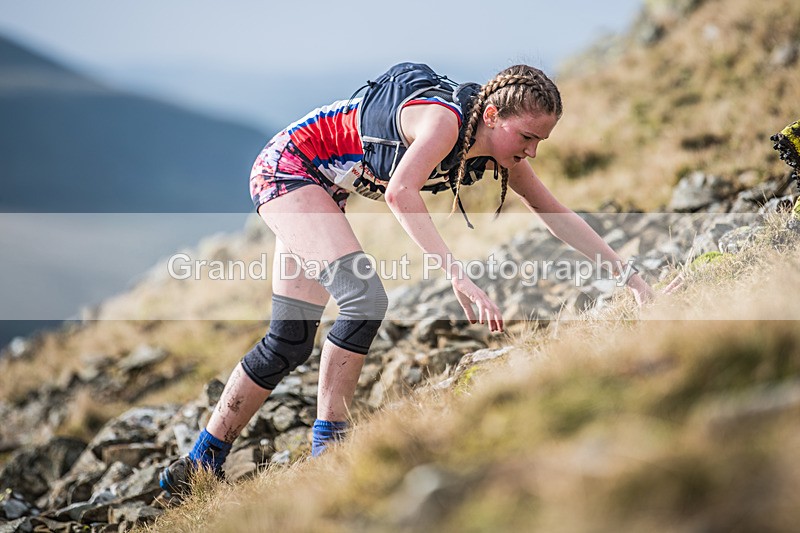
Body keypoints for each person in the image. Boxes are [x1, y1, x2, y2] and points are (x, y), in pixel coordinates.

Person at [159, 62, 656, 495]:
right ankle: (329, 452)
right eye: (527, 137)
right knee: (363, 300)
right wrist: (457, 275)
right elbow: (401, 192)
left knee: (288, 340)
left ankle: (199, 464)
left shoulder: (496, 149)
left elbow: (554, 212)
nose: (532, 152)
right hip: (289, 168)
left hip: (323, 185)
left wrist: (630, 277)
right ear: (491, 116)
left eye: (540, 141)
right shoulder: (445, 123)